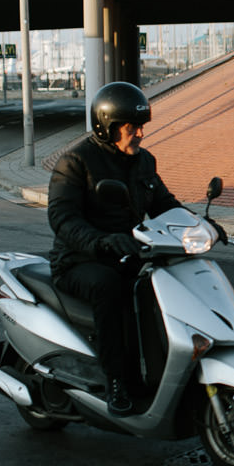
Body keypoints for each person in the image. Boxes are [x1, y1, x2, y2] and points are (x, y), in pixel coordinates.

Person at [47, 81, 182, 417]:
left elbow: (165, 204)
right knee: (110, 286)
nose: (138, 134)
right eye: (130, 127)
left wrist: (199, 226)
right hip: (78, 260)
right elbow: (61, 217)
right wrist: (100, 241)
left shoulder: (144, 161)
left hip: (128, 254)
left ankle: (159, 373)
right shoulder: (76, 161)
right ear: (105, 127)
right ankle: (116, 381)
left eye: (140, 127)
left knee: (163, 283)